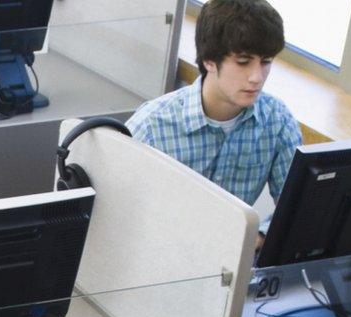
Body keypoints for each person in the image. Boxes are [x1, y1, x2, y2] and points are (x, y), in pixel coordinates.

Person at [125, 0, 300, 209]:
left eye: (266, 62)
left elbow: (300, 209)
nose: (256, 77)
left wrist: (261, 234)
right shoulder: (150, 127)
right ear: (209, 60)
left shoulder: (278, 121)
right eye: (243, 62)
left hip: (240, 241)